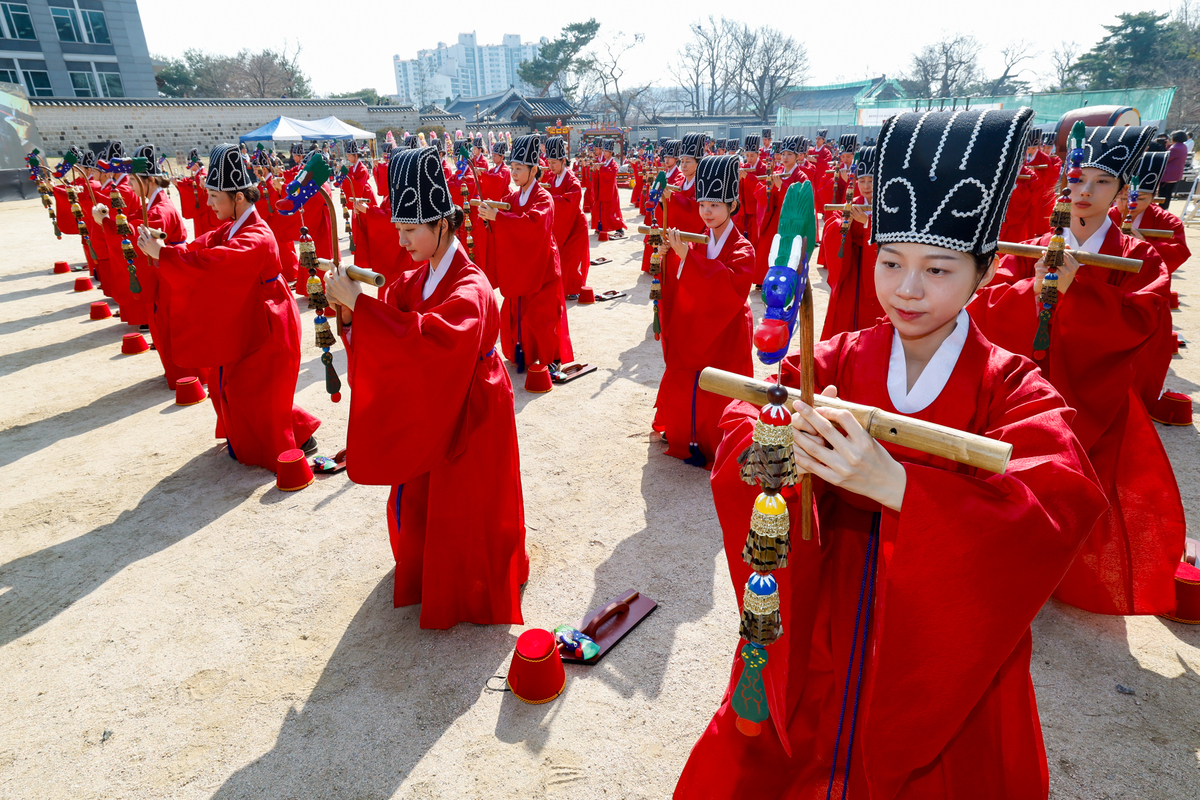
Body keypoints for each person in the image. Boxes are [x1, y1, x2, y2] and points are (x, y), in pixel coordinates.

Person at [676, 107, 1107, 800]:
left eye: (938, 268)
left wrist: (901, 487)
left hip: (941, 655)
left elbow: (1057, 496)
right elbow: (745, 414)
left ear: (986, 270)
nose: (908, 289)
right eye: (892, 262)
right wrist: (777, 446)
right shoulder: (841, 358)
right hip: (830, 620)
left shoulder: (1009, 385)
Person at [971, 124, 1184, 617]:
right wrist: (1038, 291)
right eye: (1077, 181)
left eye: (1101, 184)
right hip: (1030, 383)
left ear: (1122, 192)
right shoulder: (1033, 245)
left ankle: (1069, 571)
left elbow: (1142, 318)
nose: (1084, 193)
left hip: (1095, 385)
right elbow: (992, 305)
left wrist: (1077, 292)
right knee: (1018, 472)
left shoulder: (1137, 255)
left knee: (1087, 481)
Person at [323, 145, 527, 628]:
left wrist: (366, 311)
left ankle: (467, 586)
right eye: (398, 227)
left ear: (442, 223)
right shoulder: (416, 278)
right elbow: (392, 321)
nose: (402, 239)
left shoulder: (470, 287)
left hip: (471, 407)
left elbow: (429, 343)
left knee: (465, 505)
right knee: (426, 498)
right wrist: (354, 311)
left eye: (411, 228)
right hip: (437, 399)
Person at [138, 144, 320, 472]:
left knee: (254, 390)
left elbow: (214, 262)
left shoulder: (258, 235)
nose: (208, 203)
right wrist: (169, 247)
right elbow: (202, 244)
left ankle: (289, 441)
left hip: (268, 320)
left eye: (214, 196)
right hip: (248, 315)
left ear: (237, 197)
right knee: (234, 387)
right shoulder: (235, 226)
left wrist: (165, 255)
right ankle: (295, 431)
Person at [653, 154, 754, 467]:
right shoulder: (698, 239)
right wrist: (670, 255)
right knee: (687, 370)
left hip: (726, 329)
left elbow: (729, 287)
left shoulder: (742, 248)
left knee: (719, 387)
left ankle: (713, 439)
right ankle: (687, 434)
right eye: (702, 205)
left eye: (715, 205)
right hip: (697, 323)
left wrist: (689, 258)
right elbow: (683, 278)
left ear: (732, 206)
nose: (707, 212)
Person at [94, 144, 198, 389]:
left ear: (149, 180)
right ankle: (180, 370)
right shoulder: (154, 204)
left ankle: (186, 373)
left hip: (170, 270)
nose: (128, 185)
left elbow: (141, 230)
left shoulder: (161, 208)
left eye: (132, 179)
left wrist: (106, 223)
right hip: (165, 269)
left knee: (172, 324)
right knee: (164, 323)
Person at [478, 134, 574, 378]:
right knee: (519, 311)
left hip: (541, 263)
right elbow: (503, 221)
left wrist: (498, 219)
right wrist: (488, 217)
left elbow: (532, 225)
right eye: (512, 168)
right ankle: (523, 353)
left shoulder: (544, 197)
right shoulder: (512, 197)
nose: (514, 173)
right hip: (522, 263)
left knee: (541, 314)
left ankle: (550, 358)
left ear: (534, 170)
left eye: (519, 168)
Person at [820, 145, 883, 338]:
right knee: (844, 313)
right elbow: (831, 226)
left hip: (876, 269)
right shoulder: (853, 203)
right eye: (861, 180)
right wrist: (843, 223)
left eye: (871, 181)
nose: (865, 186)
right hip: (851, 267)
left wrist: (868, 223)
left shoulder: (889, 207)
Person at [753, 136, 809, 285]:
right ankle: (763, 279)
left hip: (790, 220)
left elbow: (800, 201)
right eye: (783, 154)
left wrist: (781, 187)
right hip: (773, 215)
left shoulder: (801, 176)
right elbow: (763, 190)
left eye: (789, 154)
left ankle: (784, 280)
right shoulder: (778, 171)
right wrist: (769, 189)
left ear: (797, 157)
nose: (785, 157)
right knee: (768, 244)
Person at [544, 135, 590, 300]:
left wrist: (549, 197)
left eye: (554, 163)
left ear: (563, 161)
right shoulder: (552, 179)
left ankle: (572, 289)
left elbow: (568, 202)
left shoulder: (572, 181)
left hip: (575, 225)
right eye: (549, 163)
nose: (550, 166)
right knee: (558, 258)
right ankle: (562, 288)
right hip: (562, 225)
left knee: (570, 260)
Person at [641, 139, 684, 274]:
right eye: (665, 156)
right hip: (659, 211)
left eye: (669, 157)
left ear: (676, 158)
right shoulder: (663, 174)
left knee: (666, 241)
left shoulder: (679, 176)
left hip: (669, 213)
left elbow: (677, 194)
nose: (666, 159)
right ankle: (653, 265)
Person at [590, 139, 626, 240]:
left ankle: (619, 228)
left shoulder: (613, 163)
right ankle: (600, 227)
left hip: (610, 190)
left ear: (611, 152)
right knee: (601, 209)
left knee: (611, 209)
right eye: (604, 151)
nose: (604, 153)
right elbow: (600, 173)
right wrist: (595, 170)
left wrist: (600, 169)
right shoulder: (603, 162)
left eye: (606, 151)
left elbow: (611, 174)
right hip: (603, 189)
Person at [1158, 130, 1189, 209]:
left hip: (1168, 176)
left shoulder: (1175, 148)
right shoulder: (1183, 146)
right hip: (1175, 175)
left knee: (1163, 195)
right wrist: (1169, 146)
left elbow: (1165, 159)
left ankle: (1162, 210)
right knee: (1168, 194)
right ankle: (1165, 210)